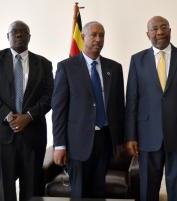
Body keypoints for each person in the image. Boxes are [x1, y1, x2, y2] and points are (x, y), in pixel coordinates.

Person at [125, 16, 177, 201]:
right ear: (148, 34)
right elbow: (132, 101)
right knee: (147, 189)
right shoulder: (137, 60)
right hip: (147, 135)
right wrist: (130, 136)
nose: (159, 32)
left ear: (170, 30)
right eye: (154, 29)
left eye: (163, 27)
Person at [0, 20, 54, 201]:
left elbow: (49, 96)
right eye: (14, 32)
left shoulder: (44, 63)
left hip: (33, 134)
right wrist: (8, 116)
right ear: (8, 36)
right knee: (6, 187)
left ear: (29, 36)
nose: (19, 35)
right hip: (1, 136)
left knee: (32, 187)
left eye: (23, 32)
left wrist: (28, 116)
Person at [52, 21, 125, 198]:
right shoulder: (66, 67)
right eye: (93, 35)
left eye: (102, 35)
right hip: (77, 141)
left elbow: (119, 107)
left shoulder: (114, 68)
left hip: (105, 140)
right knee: (79, 192)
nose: (98, 39)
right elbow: (59, 109)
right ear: (83, 37)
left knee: (99, 191)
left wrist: (120, 140)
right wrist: (60, 144)